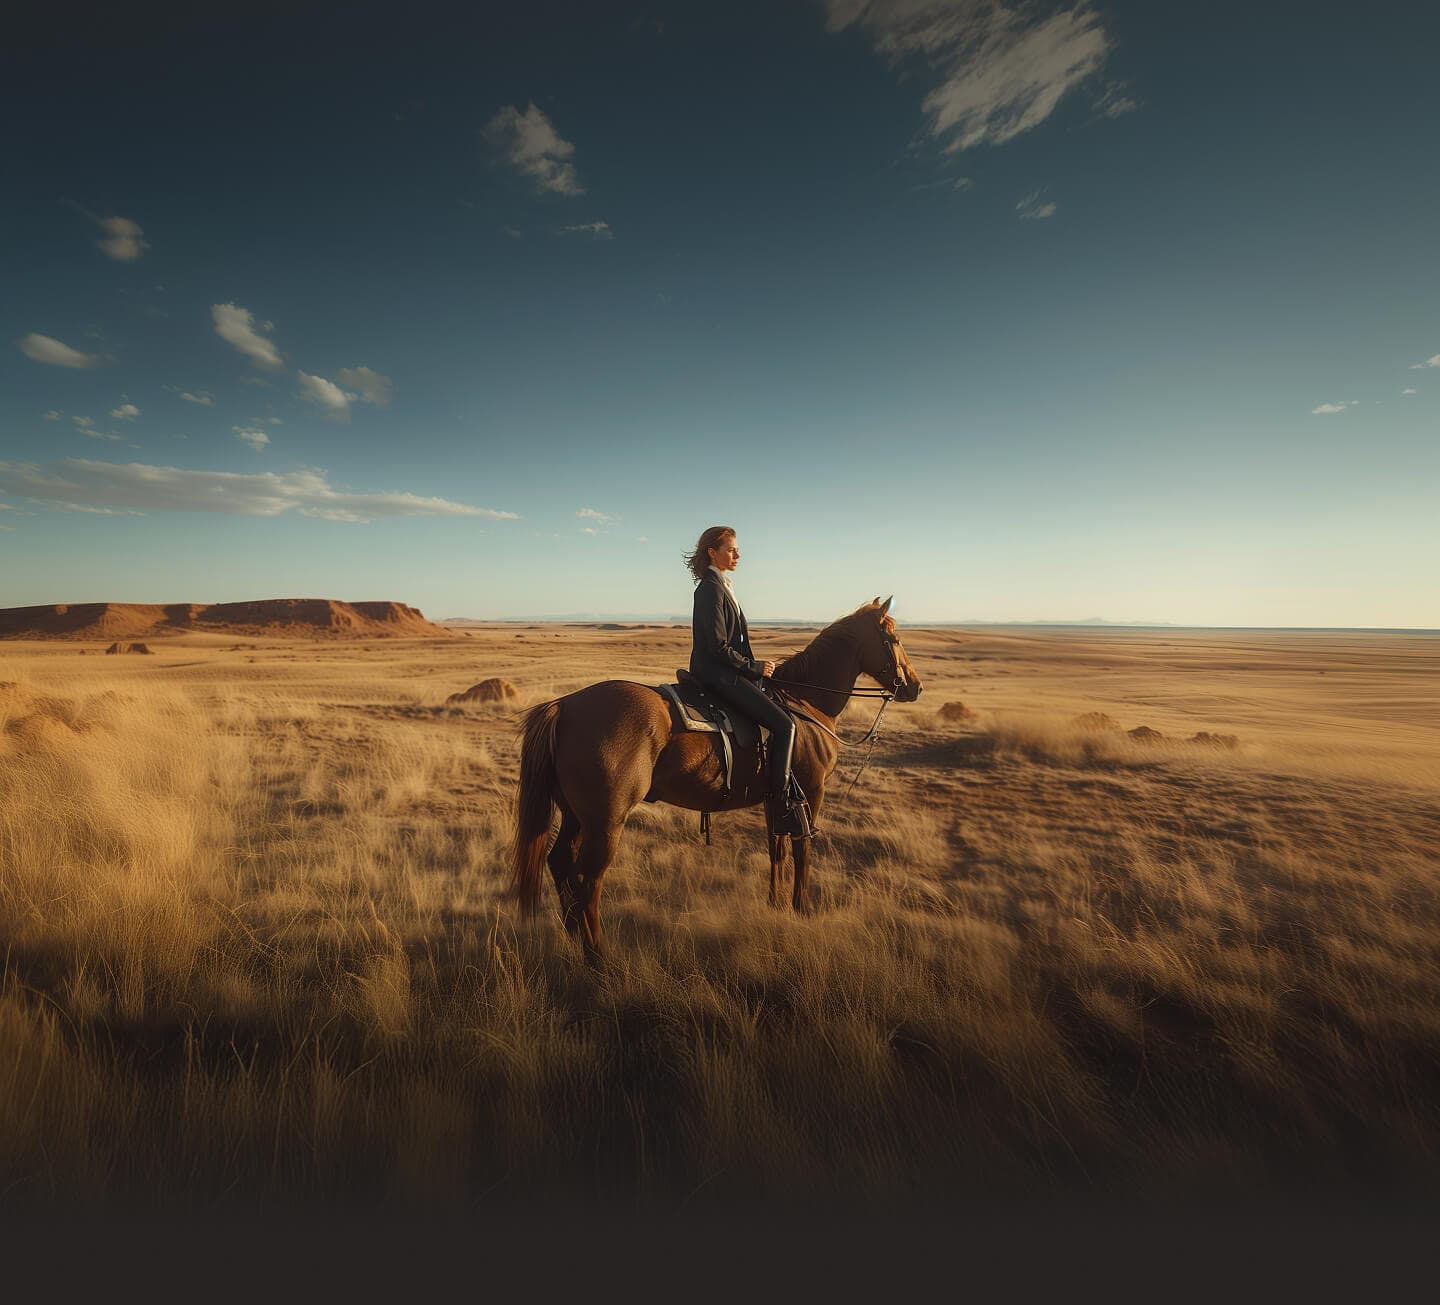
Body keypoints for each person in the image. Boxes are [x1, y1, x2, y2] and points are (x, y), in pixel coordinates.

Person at [684, 525, 812, 838]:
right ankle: (781, 808)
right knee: (785, 726)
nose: (737, 554)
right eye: (731, 549)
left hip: (727, 672)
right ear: (712, 552)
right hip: (718, 676)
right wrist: (754, 668)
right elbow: (716, 646)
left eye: (737, 549)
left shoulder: (722, 585)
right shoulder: (710, 589)